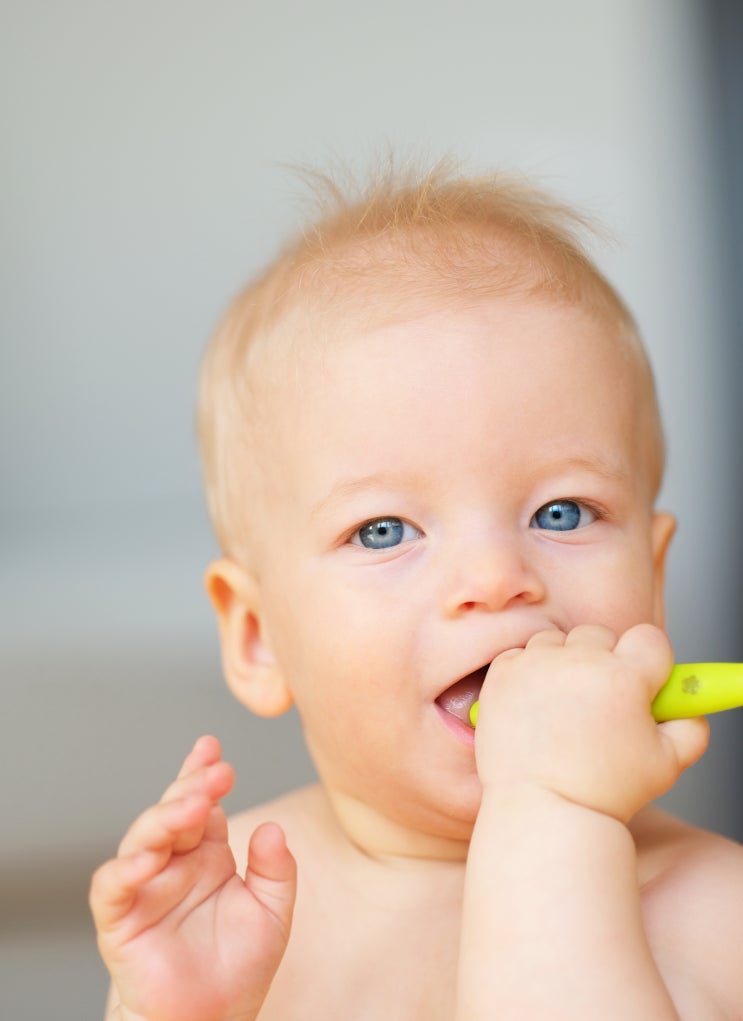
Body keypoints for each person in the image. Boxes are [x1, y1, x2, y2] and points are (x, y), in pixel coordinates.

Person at [90, 161, 743, 1020]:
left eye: (560, 510)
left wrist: (551, 814)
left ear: (652, 587)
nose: (495, 579)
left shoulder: (717, 914)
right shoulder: (231, 899)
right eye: (383, 530)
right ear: (257, 635)